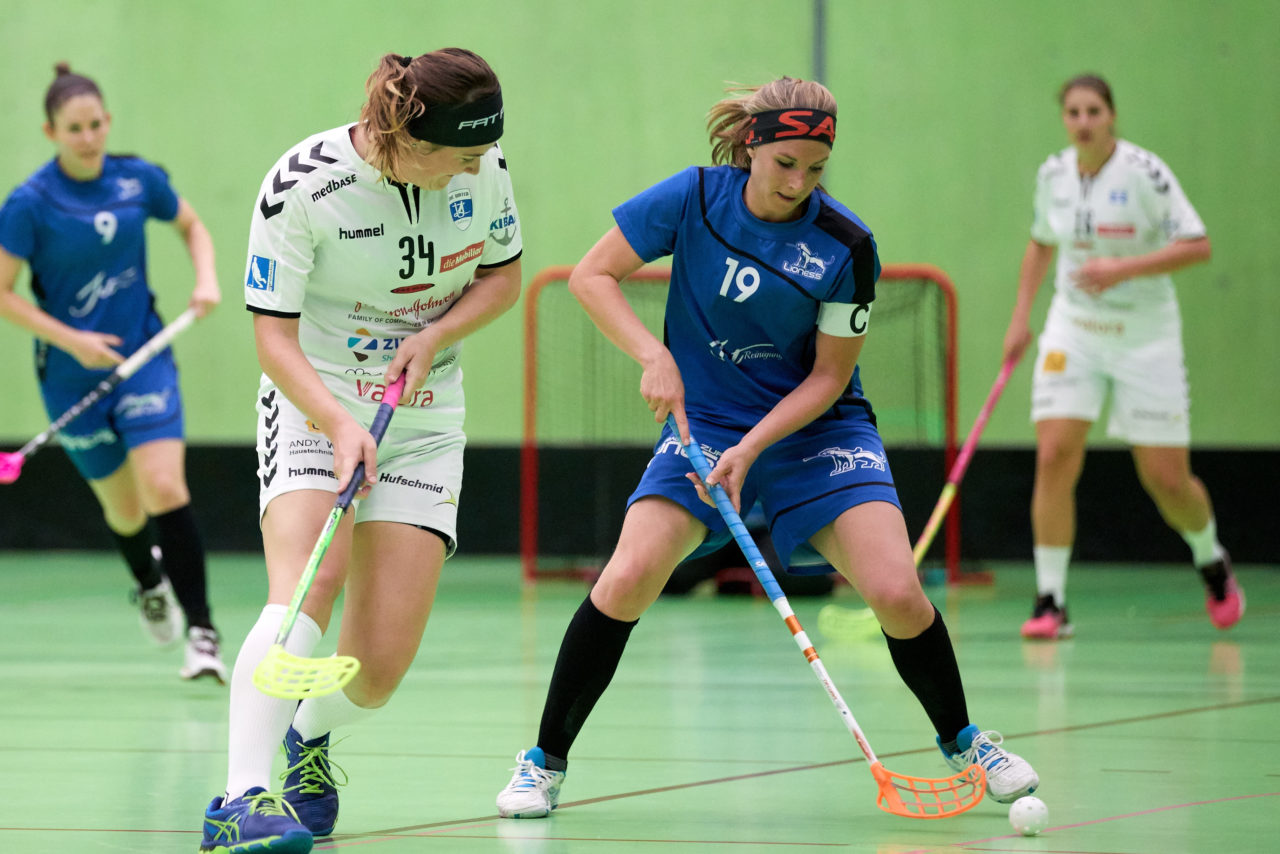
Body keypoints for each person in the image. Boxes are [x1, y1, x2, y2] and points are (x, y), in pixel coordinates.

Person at [495, 76, 1038, 820]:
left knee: (897, 592)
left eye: (815, 168)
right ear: (752, 146)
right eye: (785, 162)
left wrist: (752, 449)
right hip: (703, 425)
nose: (798, 183)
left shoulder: (847, 246)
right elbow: (593, 277)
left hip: (818, 432)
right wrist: (654, 356)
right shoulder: (692, 199)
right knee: (626, 577)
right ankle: (543, 762)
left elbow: (827, 377)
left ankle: (967, 742)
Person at [198, 48, 522, 853]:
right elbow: (271, 336)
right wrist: (338, 423)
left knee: (376, 671)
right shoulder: (303, 186)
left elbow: (503, 278)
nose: (474, 171)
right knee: (309, 583)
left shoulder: (485, 170)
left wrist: (441, 333)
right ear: (410, 137)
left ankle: (307, 732)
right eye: (462, 156)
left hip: (422, 417)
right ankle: (238, 798)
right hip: (318, 401)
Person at [0, 63, 225, 682]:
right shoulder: (29, 205)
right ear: (52, 131)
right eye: (74, 128)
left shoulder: (135, 180)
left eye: (96, 124)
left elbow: (191, 223)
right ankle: (148, 579)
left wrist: (205, 278)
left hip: (144, 359)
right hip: (70, 376)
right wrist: (71, 340)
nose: (89, 137)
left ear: (108, 123)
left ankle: (203, 632)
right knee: (124, 512)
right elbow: (3, 292)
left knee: (164, 489)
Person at [1002, 74, 1242, 641]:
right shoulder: (1053, 174)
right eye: (1073, 112)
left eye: (1094, 111)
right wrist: (1020, 317)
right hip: (1074, 330)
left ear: (1111, 115)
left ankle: (1210, 558)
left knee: (1166, 480)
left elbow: (1197, 244)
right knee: (1055, 455)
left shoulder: (1145, 173)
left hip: (1145, 335)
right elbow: (1041, 240)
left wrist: (1120, 269)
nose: (1083, 121)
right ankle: (1051, 600)